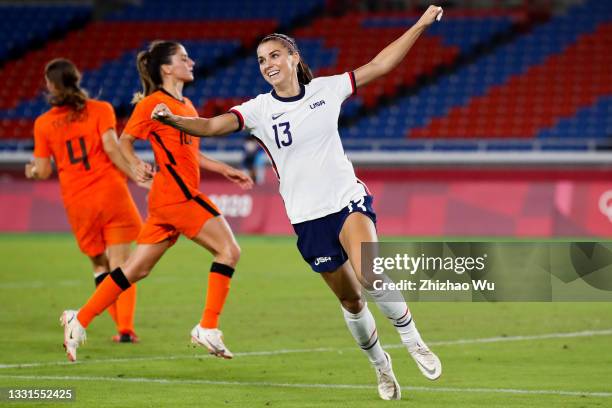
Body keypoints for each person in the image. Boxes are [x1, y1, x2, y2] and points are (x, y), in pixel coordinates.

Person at [152, 5, 444, 400]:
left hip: (346, 201)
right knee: (351, 300)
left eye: (274, 55)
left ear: (294, 58)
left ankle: (413, 340)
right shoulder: (258, 110)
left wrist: (421, 24)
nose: (267, 64)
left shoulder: (327, 88)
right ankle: (381, 366)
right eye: (261, 60)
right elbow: (210, 125)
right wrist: (173, 120)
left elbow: (379, 65)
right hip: (308, 218)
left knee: (370, 272)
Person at [59, 41, 254, 362]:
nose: (191, 62)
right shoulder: (153, 104)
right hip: (178, 195)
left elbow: (190, 151)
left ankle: (78, 319)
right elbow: (125, 141)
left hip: (168, 199)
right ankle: (208, 326)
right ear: (166, 68)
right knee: (229, 251)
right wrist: (134, 163)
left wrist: (224, 169)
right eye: (183, 58)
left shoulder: (185, 105)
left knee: (135, 269)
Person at [26, 58, 143, 344]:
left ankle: (119, 326)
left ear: (51, 86)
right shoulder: (101, 109)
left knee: (100, 266)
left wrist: (30, 170)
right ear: (76, 79)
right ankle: (125, 329)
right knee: (123, 265)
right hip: (112, 193)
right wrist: (135, 173)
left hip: (80, 202)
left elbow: (42, 171)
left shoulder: (43, 124)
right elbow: (111, 148)